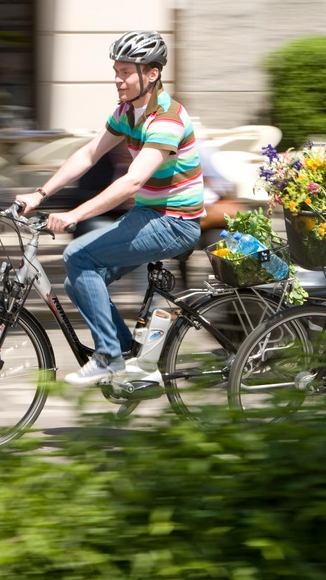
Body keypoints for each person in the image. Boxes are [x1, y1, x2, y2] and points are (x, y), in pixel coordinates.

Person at [15, 30, 205, 388]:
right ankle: (125, 354)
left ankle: (107, 357)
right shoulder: (126, 113)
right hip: (149, 215)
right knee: (80, 281)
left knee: (78, 256)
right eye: (115, 71)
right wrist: (40, 194)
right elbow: (88, 154)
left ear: (151, 74)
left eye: (125, 72)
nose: (117, 80)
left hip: (175, 222)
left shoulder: (167, 118)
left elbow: (132, 182)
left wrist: (75, 215)